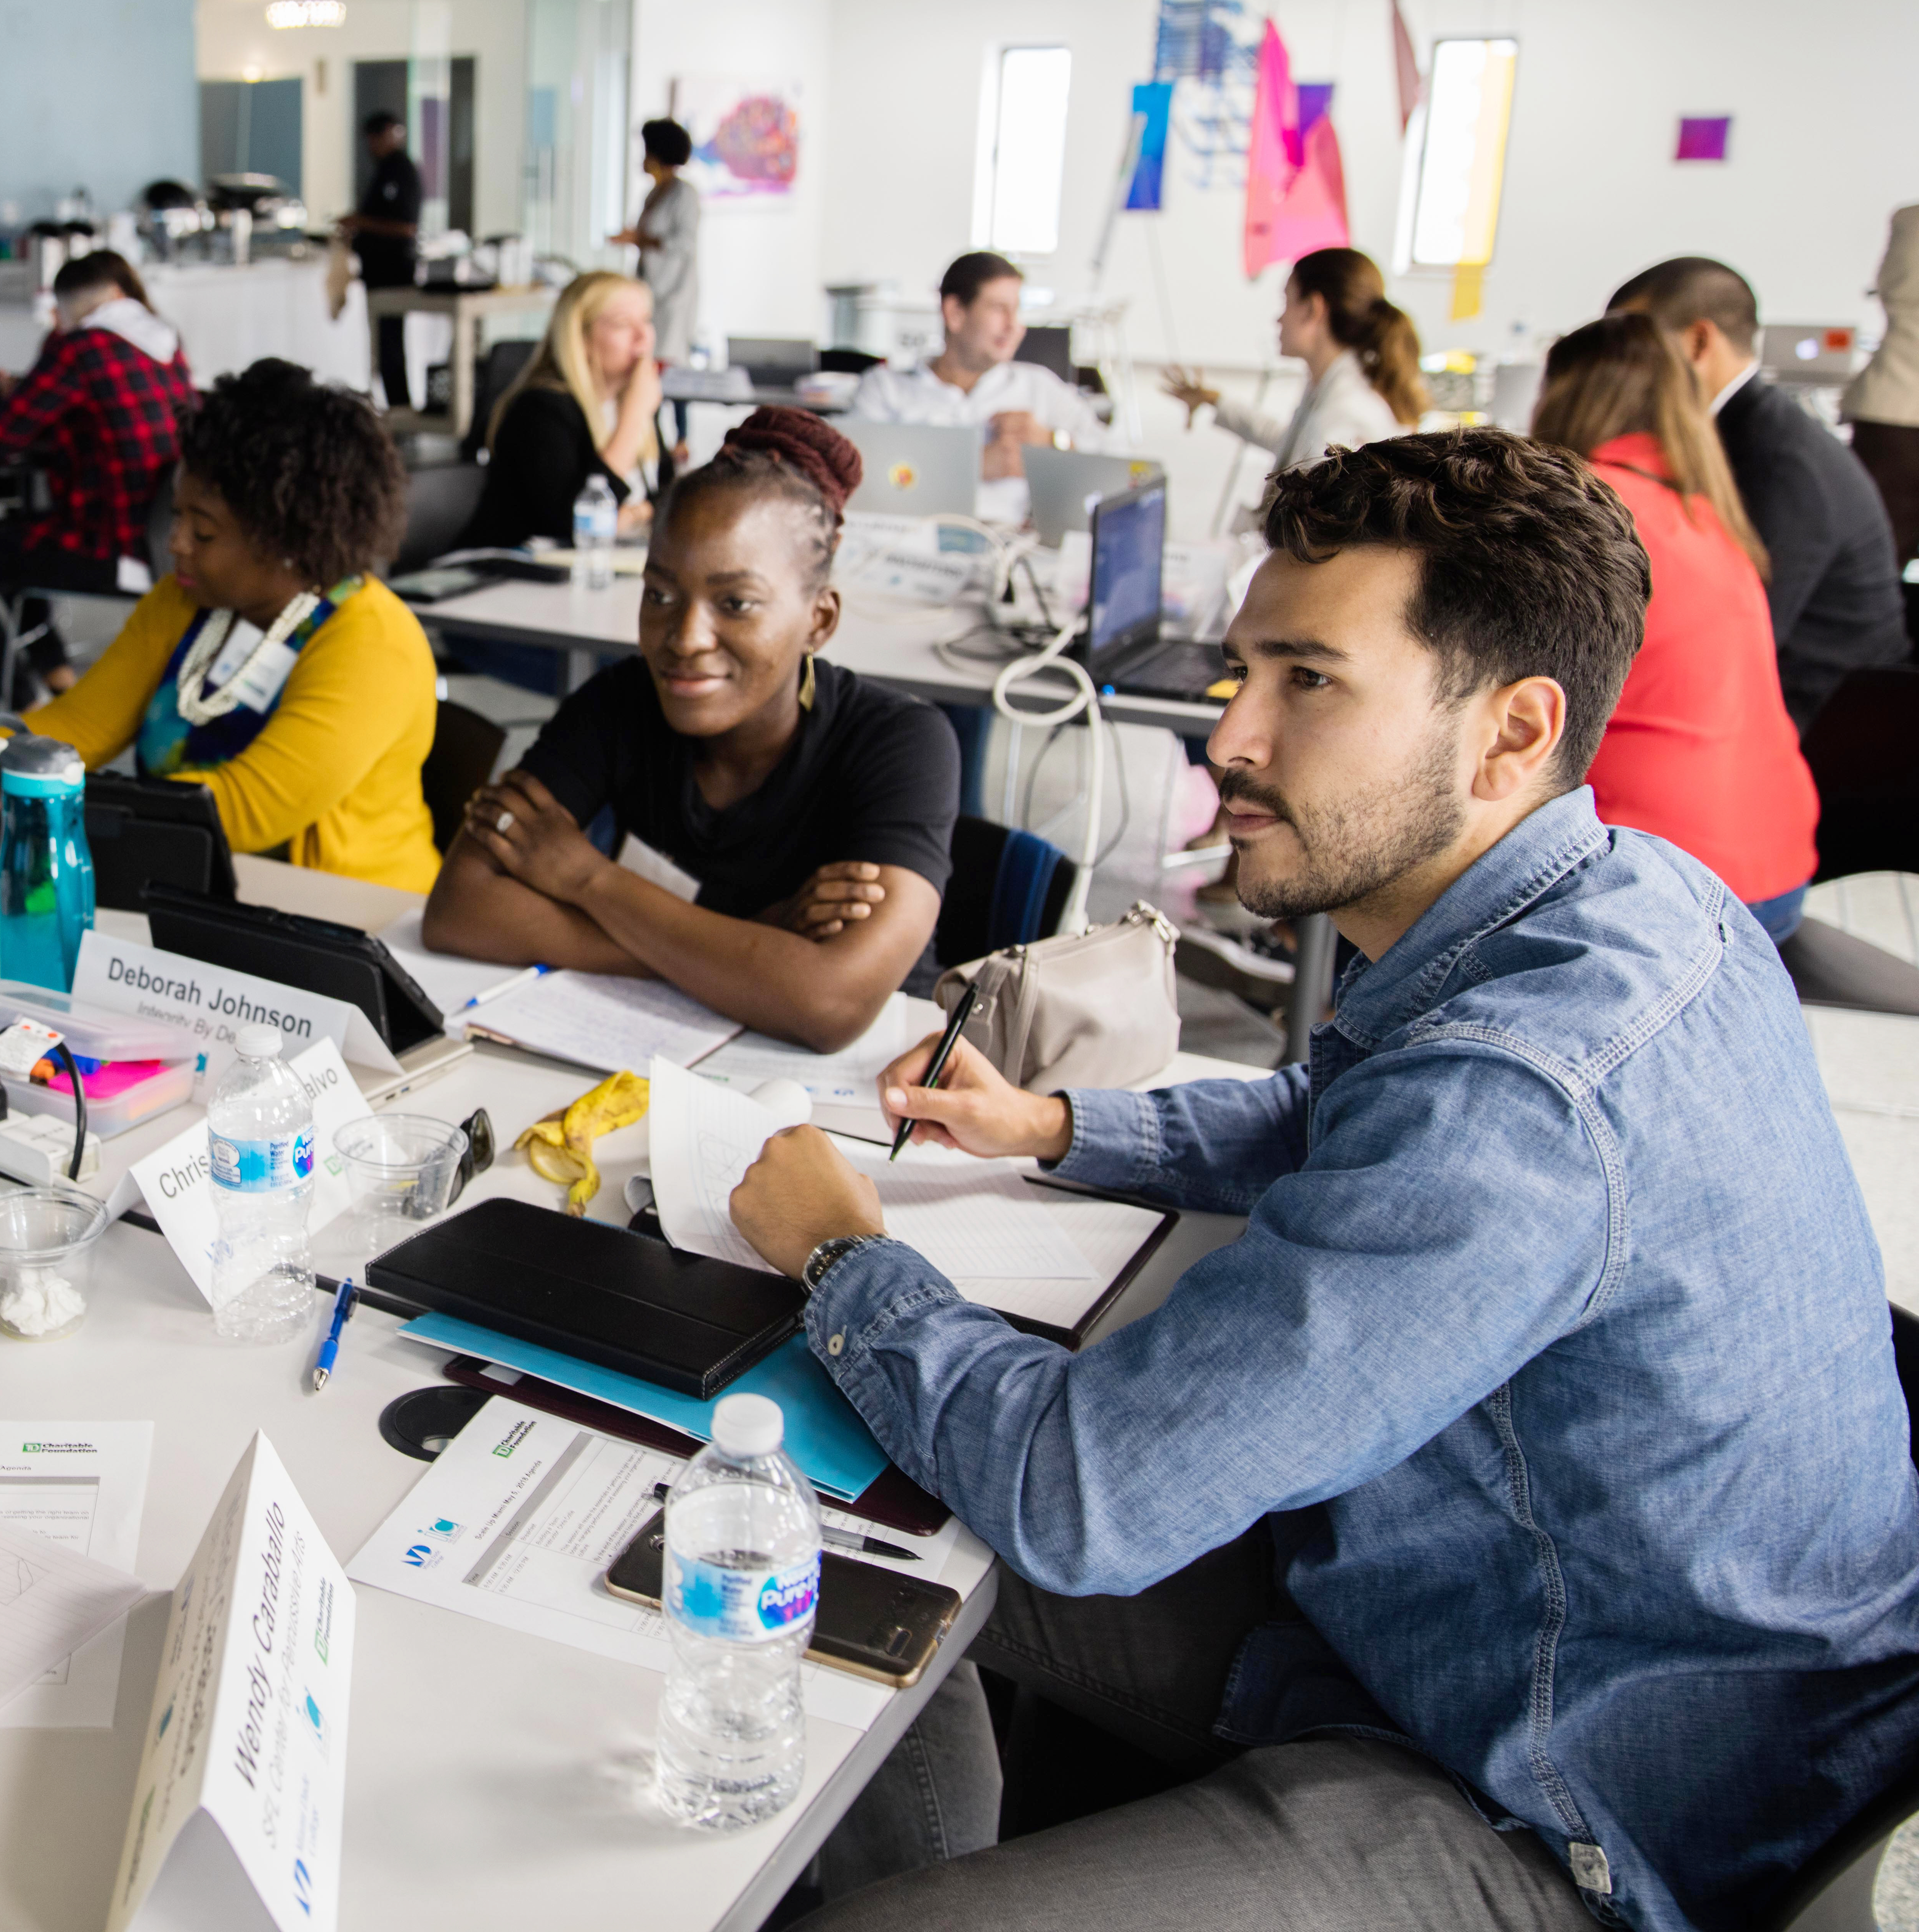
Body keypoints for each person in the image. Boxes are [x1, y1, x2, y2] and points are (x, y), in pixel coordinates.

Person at [723, 429, 1919, 1932]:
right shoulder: (1637, 894)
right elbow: (1347, 1109)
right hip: (1475, 1614)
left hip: (1565, 1801)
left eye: (1310, 680)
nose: (1229, 736)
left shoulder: (1524, 1106)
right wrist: (1056, 1126)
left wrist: (845, 1257)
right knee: (818, 1515)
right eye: (1246, 673)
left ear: (1509, 731)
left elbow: (1083, 1488)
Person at [424, 411, 958, 1049]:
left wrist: (587, 880)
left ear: (818, 620)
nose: (684, 637)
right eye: (659, 594)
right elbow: (458, 910)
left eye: (734, 603)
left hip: (855, 1105)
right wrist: (750, 944)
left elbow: (828, 1002)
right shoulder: (619, 701)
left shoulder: (902, 743)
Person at [0, 360, 439, 890]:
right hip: (197, 894)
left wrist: (25, 808)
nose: (176, 544)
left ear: (289, 542)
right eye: (178, 516)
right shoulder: (188, 603)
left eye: (205, 532)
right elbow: (73, 726)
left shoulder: (371, 643)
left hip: (351, 916)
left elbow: (238, 811)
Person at [1527, 312, 1817, 939]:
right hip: (1772, 868)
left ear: (1564, 396)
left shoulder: (1585, 505)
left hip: (1660, 876)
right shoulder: (1707, 514)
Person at [1610, 254, 1907, 728]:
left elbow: (1741, 632)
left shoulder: (1777, 459)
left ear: (1699, 341)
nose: (1616, 371)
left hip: (1828, 718)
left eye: (1632, 347)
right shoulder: (1741, 431)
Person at [0, 252, 191, 703]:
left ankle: (20, 702)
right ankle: (57, 679)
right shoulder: (165, 344)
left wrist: (46, 355)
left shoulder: (80, 348)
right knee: (7, 536)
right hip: (163, 540)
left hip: (112, 550)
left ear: (64, 308)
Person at [847, 250, 1108, 526]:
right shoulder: (886, 389)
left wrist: (1052, 442)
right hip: (908, 545)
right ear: (955, 314)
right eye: (999, 309)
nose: (1014, 326)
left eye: (1017, 310)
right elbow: (855, 479)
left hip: (1011, 546)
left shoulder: (1037, 386)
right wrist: (973, 467)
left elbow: (1114, 461)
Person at [1161, 246, 1426, 517]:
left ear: (1313, 309)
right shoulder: (1341, 386)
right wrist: (1215, 401)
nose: (1278, 319)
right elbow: (1294, 444)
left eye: (1286, 302)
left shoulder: (1341, 413)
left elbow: (1307, 531)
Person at [462, 270, 666, 551]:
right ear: (581, 339)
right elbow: (572, 525)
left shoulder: (633, 399)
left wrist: (631, 515)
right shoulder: (541, 409)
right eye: (623, 325)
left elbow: (668, 499)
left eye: (646, 321)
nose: (643, 337)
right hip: (505, 573)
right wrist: (633, 418)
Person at [1844, 201, 1919, 569]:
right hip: (1896, 416)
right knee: (1876, 562)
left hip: (1891, 410)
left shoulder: (1910, 220)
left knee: (1877, 561)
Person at [337, 110, 423, 411]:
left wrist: (360, 222)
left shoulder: (401, 170)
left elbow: (406, 227)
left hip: (393, 274)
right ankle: (395, 411)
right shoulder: (383, 170)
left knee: (391, 348)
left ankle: (401, 412)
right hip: (378, 274)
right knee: (384, 348)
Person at [610, 117, 703, 378]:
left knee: (668, 369)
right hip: (649, 288)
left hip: (673, 292)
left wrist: (641, 239)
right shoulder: (653, 194)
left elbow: (685, 243)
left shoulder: (684, 194)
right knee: (646, 363)